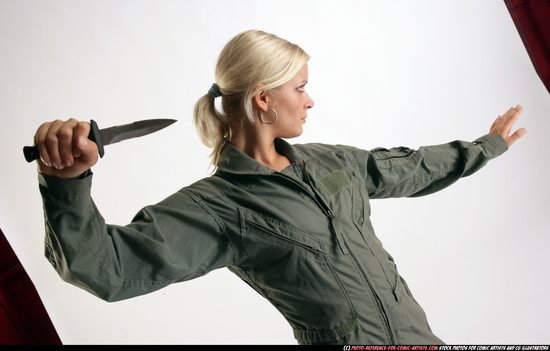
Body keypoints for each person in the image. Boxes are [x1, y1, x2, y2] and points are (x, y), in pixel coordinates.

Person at [33, 30, 526, 345]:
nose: (310, 101)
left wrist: (488, 146)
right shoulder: (219, 208)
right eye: (300, 88)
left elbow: (410, 168)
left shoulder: (334, 162)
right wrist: (65, 183)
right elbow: (109, 269)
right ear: (264, 99)